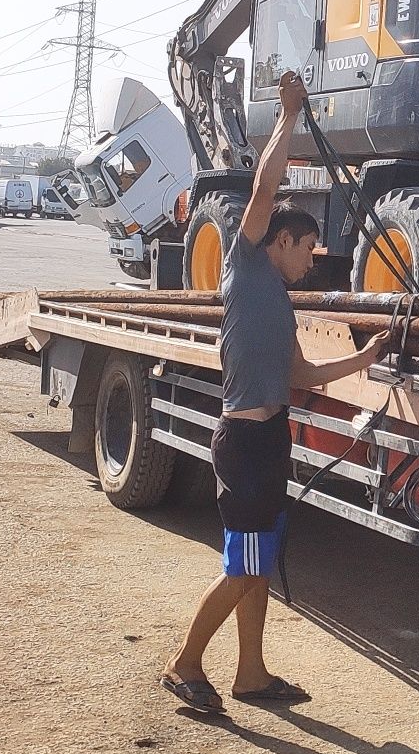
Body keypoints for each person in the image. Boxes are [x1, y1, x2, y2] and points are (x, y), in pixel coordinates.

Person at [161, 71, 387, 719]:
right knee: (240, 568)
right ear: (280, 241)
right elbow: (264, 186)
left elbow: (302, 376)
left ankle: (251, 673)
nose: (312, 261)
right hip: (242, 444)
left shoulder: (280, 305)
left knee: (257, 565)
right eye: (308, 249)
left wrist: (364, 358)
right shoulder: (247, 264)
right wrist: (289, 114)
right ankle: (183, 664)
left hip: (268, 440)